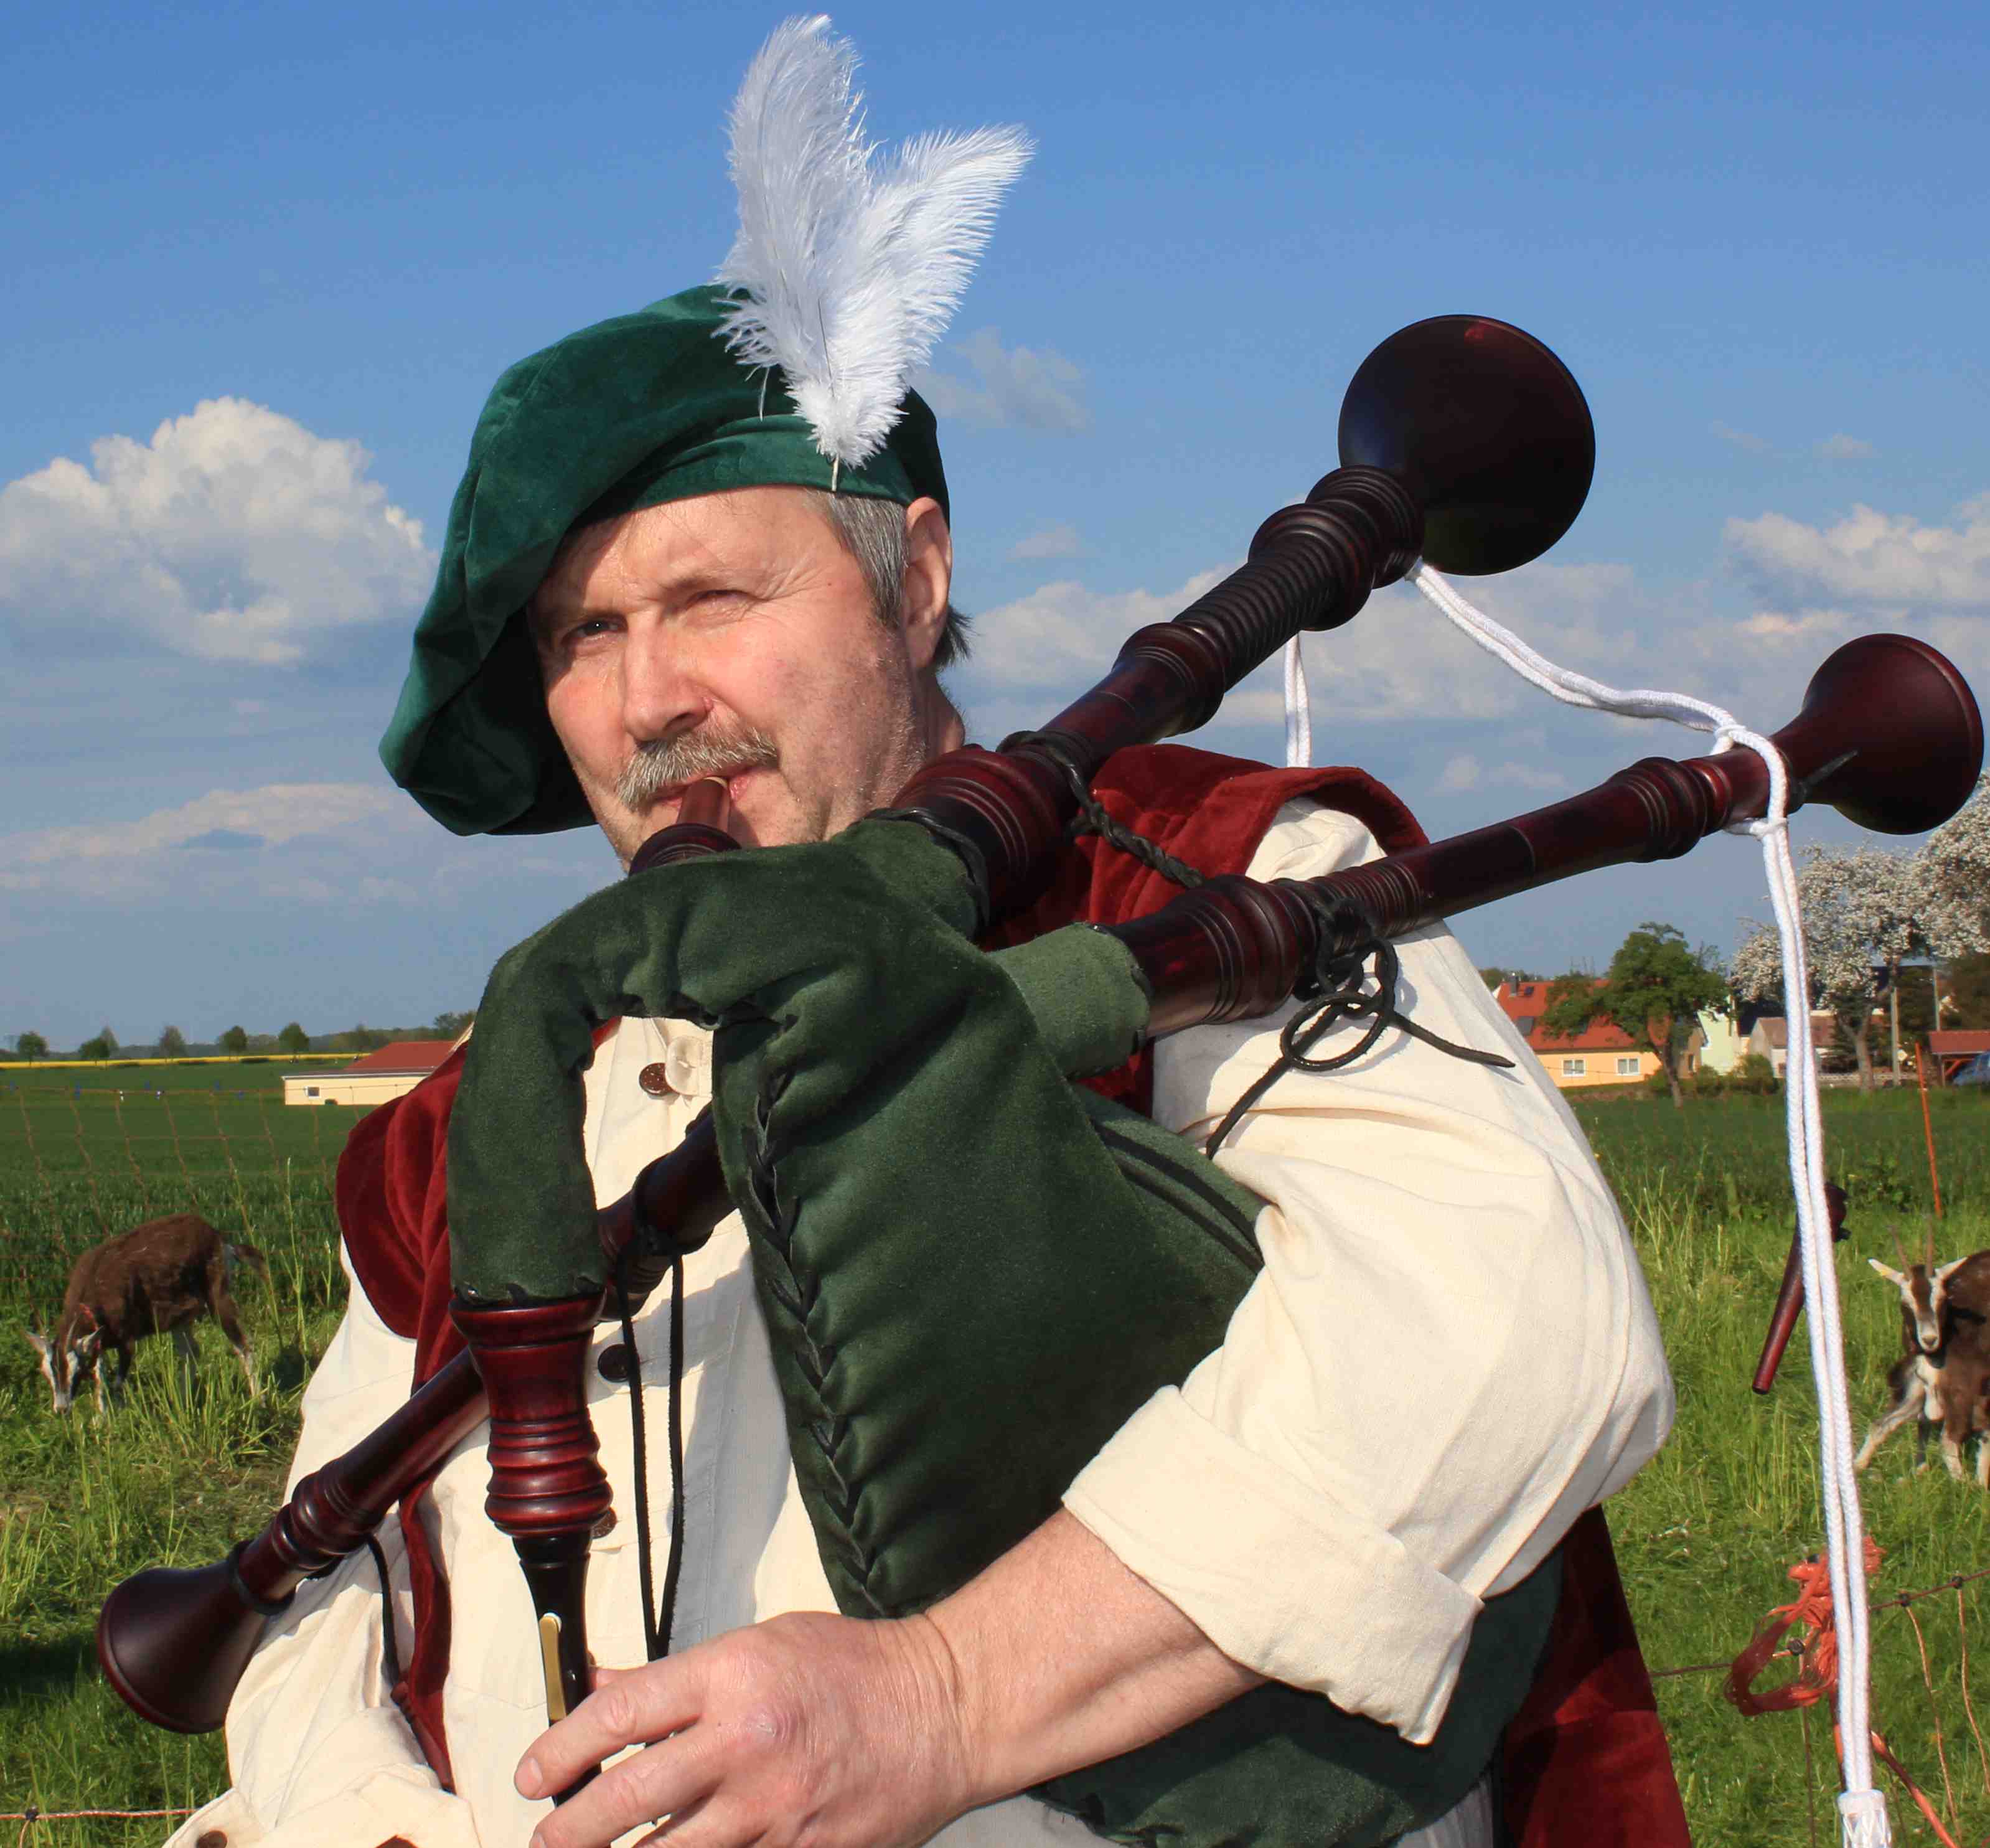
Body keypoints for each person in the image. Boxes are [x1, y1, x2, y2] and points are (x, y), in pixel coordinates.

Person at [165, 22, 1678, 1848]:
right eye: (582, 636)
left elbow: (1508, 1330)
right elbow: (322, 1606)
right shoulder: (491, 1109)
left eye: (713, 595)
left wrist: (942, 1696)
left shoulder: (1203, 878)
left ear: (919, 576)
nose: (649, 700)